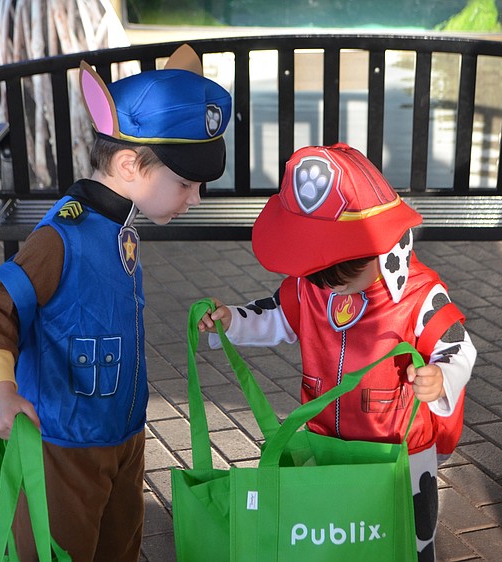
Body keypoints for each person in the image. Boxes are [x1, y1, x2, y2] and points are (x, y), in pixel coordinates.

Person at [0, 44, 231, 561]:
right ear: (130, 163)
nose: (195, 197)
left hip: (122, 433)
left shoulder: (118, 223)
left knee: (119, 546)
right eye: (185, 183)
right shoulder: (61, 238)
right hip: (64, 443)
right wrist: (1, 390)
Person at [198, 143, 476, 562]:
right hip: (328, 441)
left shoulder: (419, 295)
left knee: (407, 534)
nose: (331, 288)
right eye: (321, 276)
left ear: (383, 249)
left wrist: (441, 378)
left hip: (399, 446)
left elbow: (457, 346)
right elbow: (277, 315)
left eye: (344, 276)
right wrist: (231, 320)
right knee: (338, 531)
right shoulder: (313, 284)